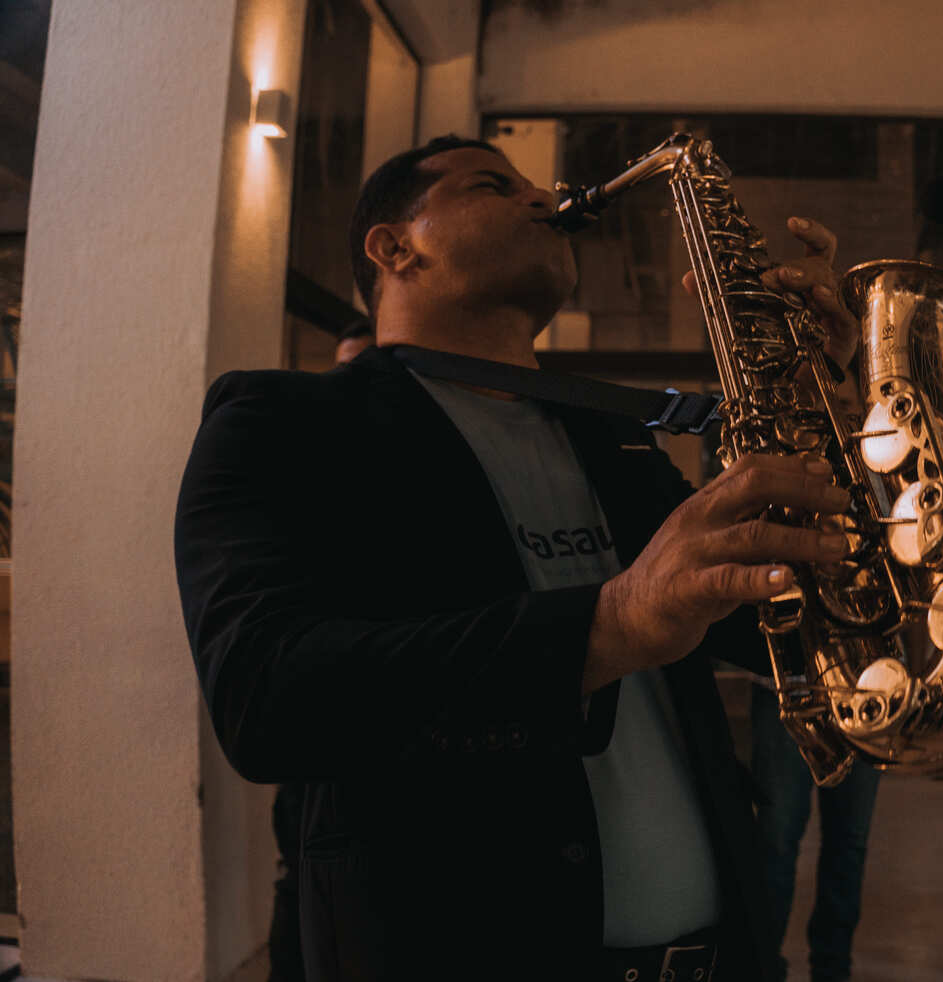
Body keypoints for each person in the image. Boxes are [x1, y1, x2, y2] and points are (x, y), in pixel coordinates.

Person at [175, 134, 861, 981]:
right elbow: (263, 698)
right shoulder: (280, 423)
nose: (543, 197)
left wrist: (823, 402)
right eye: (493, 186)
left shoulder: (612, 440)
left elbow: (771, 626)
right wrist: (608, 625)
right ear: (395, 248)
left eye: (534, 184)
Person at [266, 315, 375, 982]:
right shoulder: (308, 455)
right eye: (343, 369)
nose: (349, 384)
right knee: (300, 873)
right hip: (319, 715)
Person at [750, 681, 880, 982]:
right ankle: (762, 966)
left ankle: (832, 970)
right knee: (776, 842)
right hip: (789, 691)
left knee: (848, 843)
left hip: (867, 695)